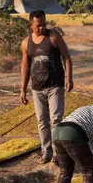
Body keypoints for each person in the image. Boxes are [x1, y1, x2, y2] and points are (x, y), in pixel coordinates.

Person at [21, 10, 73, 164]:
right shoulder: (26, 43)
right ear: (31, 26)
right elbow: (25, 67)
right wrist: (23, 89)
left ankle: (58, 154)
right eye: (38, 25)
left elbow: (66, 57)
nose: (42, 28)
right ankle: (46, 153)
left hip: (55, 85)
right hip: (37, 88)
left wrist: (69, 77)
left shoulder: (53, 36)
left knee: (56, 119)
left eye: (44, 24)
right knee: (42, 121)